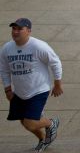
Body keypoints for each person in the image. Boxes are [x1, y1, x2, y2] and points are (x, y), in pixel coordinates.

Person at [1, 18, 63, 151]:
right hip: (19, 92)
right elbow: (4, 70)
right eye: (14, 28)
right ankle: (42, 140)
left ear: (28, 31)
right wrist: (7, 90)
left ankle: (51, 123)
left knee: (30, 123)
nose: (15, 31)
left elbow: (55, 62)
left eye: (19, 29)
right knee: (24, 122)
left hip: (38, 90)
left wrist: (57, 83)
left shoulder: (38, 46)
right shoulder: (7, 48)